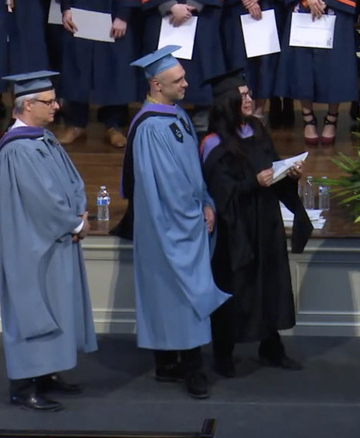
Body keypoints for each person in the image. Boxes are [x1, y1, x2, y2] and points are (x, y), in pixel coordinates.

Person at [112, 46, 230, 399]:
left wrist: (207, 201)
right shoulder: (150, 128)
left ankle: (168, 364)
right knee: (177, 293)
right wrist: (194, 214)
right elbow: (164, 185)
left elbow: (192, 174)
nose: (186, 84)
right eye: (177, 80)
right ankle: (188, 369)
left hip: (187, 217)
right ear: (156, 84)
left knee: (173, 292)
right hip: (168, 224)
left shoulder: (176, 115)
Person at [198, 69, 312, 377]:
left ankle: (271, 347)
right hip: (235, 227)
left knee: (270, 281)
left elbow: (270, 168)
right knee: (235, 286)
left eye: (249, 94)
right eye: (243, 95)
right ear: (228, 102)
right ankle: (223, 353)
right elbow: (220, 191)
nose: (249, 99)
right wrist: (254, 182)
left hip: (265, 220)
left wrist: (286, 174)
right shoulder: (213, 143)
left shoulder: (258, 129)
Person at [0, 71, 97, 412]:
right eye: (48, 101)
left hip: (55, 239)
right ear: (26, 105)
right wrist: (74, 222)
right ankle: (23, 386)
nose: (56, 106)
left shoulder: (42, 138)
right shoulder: (17, 150)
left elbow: (71, 181)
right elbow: (42, 202)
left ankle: (47, 374)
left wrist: (80, 213)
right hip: (31, 245)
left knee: (56, 306)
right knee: (33, 309)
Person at [56, 0, 141, 147]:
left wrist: (123, 15)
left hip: (113, 11)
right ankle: (76, 123)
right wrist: (66, 8)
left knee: (114, 69)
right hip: (80, 9)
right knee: (77, 66)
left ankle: (113, 125)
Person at [274, 0, 359, 145]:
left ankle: (332, 118)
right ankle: (308, 118)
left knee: (335, 65)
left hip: (338, 8)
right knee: (302, 65)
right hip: (303, 8)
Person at [141, 0, 227, 136]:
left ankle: (202, 129)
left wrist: (193, 5)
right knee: (165, 71)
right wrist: (170, 6)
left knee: (204, 72)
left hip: (203, 16)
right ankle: (165, 124)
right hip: (161, 16)